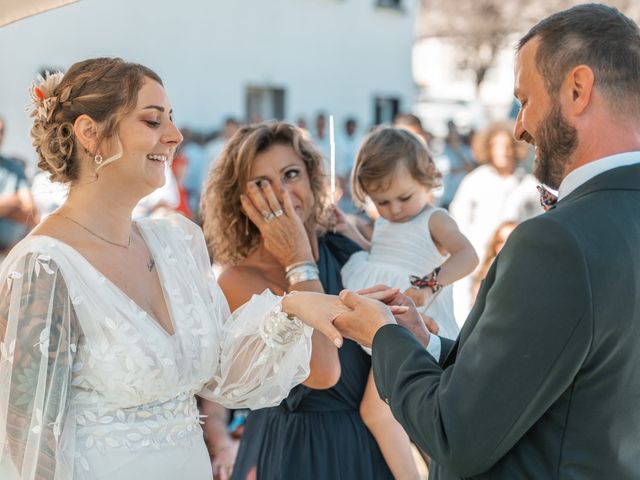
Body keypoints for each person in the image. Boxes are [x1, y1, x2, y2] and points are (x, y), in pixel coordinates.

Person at [0, 59, 345, 480]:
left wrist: (289, 315)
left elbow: (222, 375)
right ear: (91, 132)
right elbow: (25, 441)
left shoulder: (176, 244)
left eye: (172, 119)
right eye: (152, 120)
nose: (175, 135)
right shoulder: (45, 266)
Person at [334, 4, 640, 478]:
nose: (519, 126)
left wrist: (384, 337)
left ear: (578, 91)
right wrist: (426, 346)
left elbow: (455, 435)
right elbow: (564, 371)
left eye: (525, 99)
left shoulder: (557, 242)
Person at [199, 122, 394, 480]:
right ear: (238, 198)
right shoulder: (238, 280)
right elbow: (324, 371)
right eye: (262, 185)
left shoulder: (342, 241)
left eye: (291, 175)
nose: (283, 195)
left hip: (372, 440)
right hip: (299, 451)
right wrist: (297, 261)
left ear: (311, 178)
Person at [340, 127, 477, 479]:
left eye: (404, 197)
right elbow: (379, 258)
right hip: (390, 326)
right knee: (389, 412)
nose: (395, 209)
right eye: (382, 202)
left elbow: (467, 256)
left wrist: (430, 284)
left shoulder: (434, 218)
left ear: (426, 178)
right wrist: (350, 231)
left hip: (422, 327)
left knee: (385, 411)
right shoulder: (384, 223)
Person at [449, 121, 542, 318]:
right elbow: (459, 216)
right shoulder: (476, 180)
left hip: (512, 253)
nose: (503, 152)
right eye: (497, 146)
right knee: (467, 303)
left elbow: (539, 218)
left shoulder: (528, 183)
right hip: (478, 253)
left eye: (507, 146)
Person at [0, 116, 37, 254]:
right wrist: (15, 200)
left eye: (1, 131)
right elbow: (21, 203)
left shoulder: (15, 168)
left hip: (9, 254)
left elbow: (29, 210)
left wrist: (4, 207)